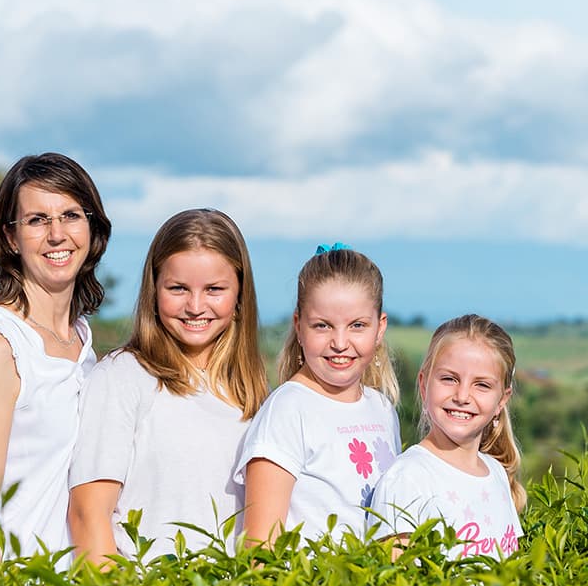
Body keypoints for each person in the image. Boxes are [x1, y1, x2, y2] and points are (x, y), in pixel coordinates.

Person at [68, 209, 268, 565]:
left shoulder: (250, 392)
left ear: (239, 295)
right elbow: (88, 517)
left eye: (214, 290)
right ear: (154, 289)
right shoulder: (121, 377)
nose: (195, 306)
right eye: (177, 288)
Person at [0, 152, 112, 562]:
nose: (57, 234)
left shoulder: (83, 345)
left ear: (92, 229)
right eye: (37, 220)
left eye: (71, 215)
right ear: (11, 238)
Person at [235, 244, 402, 547]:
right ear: (299, 326)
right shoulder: (287, 411)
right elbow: (260, 547)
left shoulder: (382, 409)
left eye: (357, 326)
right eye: (322, 326)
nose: (340, 342)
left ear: (380, 328)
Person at [367, 314, 525, 560]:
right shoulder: (408, 479)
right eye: (449, 379)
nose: (462, 396)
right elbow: (395, 580)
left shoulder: (496, 473)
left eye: (482, 385)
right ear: (423, 384)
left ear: (501, 400)